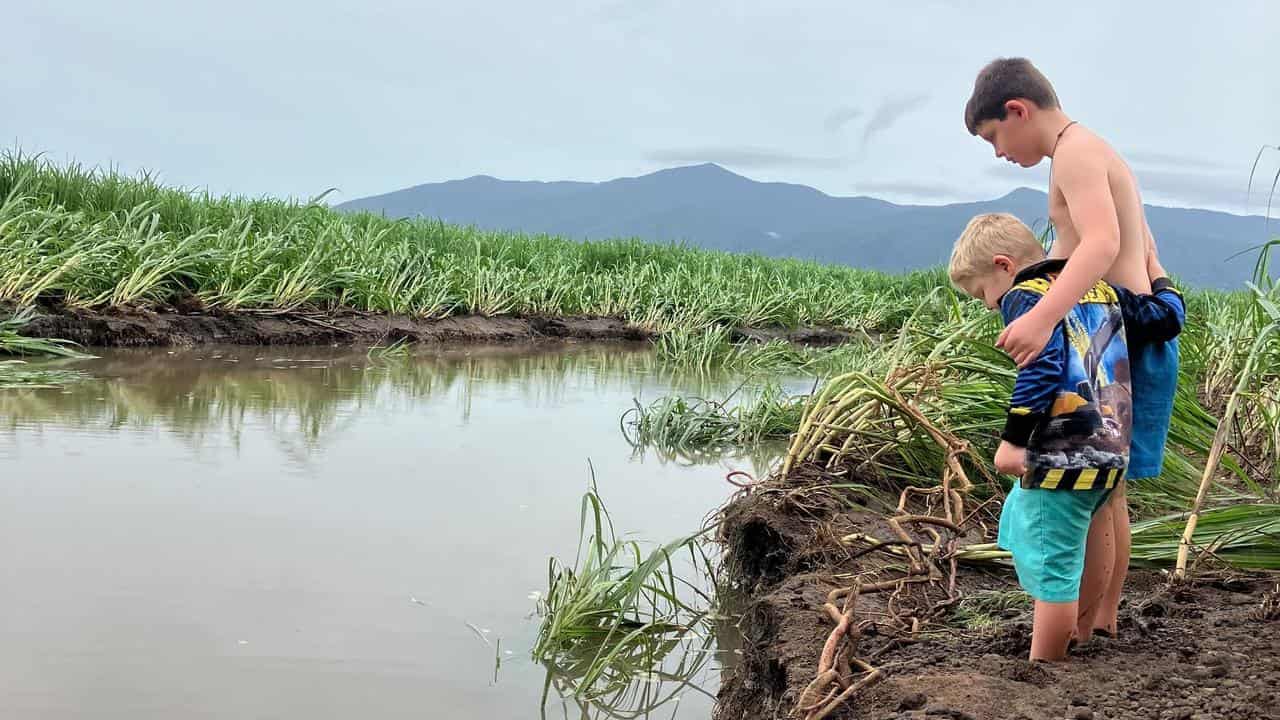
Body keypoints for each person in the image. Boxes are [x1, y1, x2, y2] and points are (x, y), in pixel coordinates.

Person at [963, 57, 1185, 640]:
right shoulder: (1097, 150)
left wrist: (1041, 316)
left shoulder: (1074, 151)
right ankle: (1100, 619)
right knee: (1110, 493)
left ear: (1018, 111)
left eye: (994, 137)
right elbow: (1143, 244)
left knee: (1099, 493)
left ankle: (1083, 623)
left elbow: (1104, 240)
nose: (998, 153)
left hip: (1118, 343)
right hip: (1133, 330)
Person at [948, 213, 1183, 660]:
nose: (988, 306)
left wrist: (1014, 440)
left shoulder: (1025, 295)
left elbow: (1041, 366)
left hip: (1062, 455)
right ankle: (1087, 632)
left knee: (1054, 567)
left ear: (1004, 266)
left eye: (982, 293)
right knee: (1082, 539)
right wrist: (1159, 274)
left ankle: (1044, 664)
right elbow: (1166, 320)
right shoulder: (1100, 289)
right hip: (1113, 451)